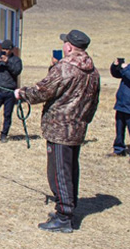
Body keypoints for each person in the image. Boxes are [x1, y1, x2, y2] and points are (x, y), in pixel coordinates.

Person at [15, 30, 100, 233]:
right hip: (78, 127)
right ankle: (68, 207)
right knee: (71, 170)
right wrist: (84, 120)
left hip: (60, 128)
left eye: (65, 43)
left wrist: (22, 93)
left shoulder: (65, 67)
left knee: (59, 172)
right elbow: (94, 101)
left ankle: (64, 216)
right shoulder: (93, 71)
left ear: (69, 46)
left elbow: (42, 91)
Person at [0, 39, 22, 142]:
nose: (4, 51)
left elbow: (17, 71)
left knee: (7, 115)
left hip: (9, 91)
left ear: (11, 50)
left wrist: (7, 62)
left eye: (7, 49)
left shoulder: (16, 60)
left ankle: (4, 135)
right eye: (3, 49)